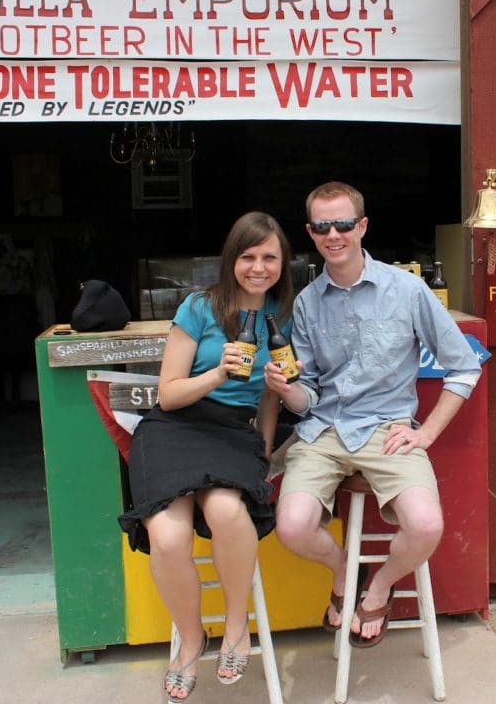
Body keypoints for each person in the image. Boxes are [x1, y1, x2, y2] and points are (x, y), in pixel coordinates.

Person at [264, 181, 482, 649]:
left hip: (388, 429)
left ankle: (379, 586)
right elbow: (308, 396)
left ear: (362, 226)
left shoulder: (406, 290)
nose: (333, 234)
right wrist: (285, 390)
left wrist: (427, 435)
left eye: (343, 223)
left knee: (425, 525)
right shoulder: (306, 303)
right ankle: (345, 570)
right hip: (323, 430)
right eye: (322, 226)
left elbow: (463, 367)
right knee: (292, 528)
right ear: (310, 231)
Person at [118, 211, 295, 703]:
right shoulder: (201, 307)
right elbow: (169, 394)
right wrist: (218, 373)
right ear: (231, 260)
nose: (258, 267)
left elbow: (269, 396)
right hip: (175, 427)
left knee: (226, 510)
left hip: (232, 436)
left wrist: (260, 448)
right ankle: (192, 639)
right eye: (248, 256)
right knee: (168, 535)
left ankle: (237, 625)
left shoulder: (284, 314)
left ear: (283, 263)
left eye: (269, 257)